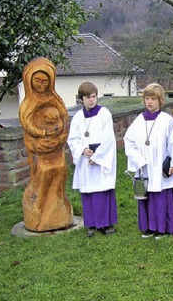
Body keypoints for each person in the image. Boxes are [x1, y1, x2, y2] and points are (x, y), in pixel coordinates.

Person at [19, 57, 73, 232]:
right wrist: (43, 134)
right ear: (29, 81)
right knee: (42, 174)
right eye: (37, 81)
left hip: (56, 149)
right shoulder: (28, 103)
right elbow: (27, 124)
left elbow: (64, 119)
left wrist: (59, 136)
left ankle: (58, 206)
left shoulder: (55, 99)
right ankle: (39, 209)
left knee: (60, 172)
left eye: (45, 81)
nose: (41, 85)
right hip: (39, 151)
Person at [124, 83, 173, 239]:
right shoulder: (138, 121)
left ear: (160, 100)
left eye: (153, 99)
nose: (149, 102)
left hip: (160, 164)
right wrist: (139, 160)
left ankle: (163, 227)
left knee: (161, 196)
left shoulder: (166, 120)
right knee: (147, 196)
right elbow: (128, 140)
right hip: (145, 166)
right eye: (147, 99)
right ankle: (149, 227)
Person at [68, 82, 118, 237]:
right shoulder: (77, 117)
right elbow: (73, 139)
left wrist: (97, 157)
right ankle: (91, 224)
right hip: (85, 160)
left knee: (102, 191)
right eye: (88, 97)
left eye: (94, 96)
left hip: (100, 160)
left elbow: (109, 139)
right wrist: (83, 150)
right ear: (81, 99)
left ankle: (106, 224)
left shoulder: (104, 114)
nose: (92, 100)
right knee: (88, 192)